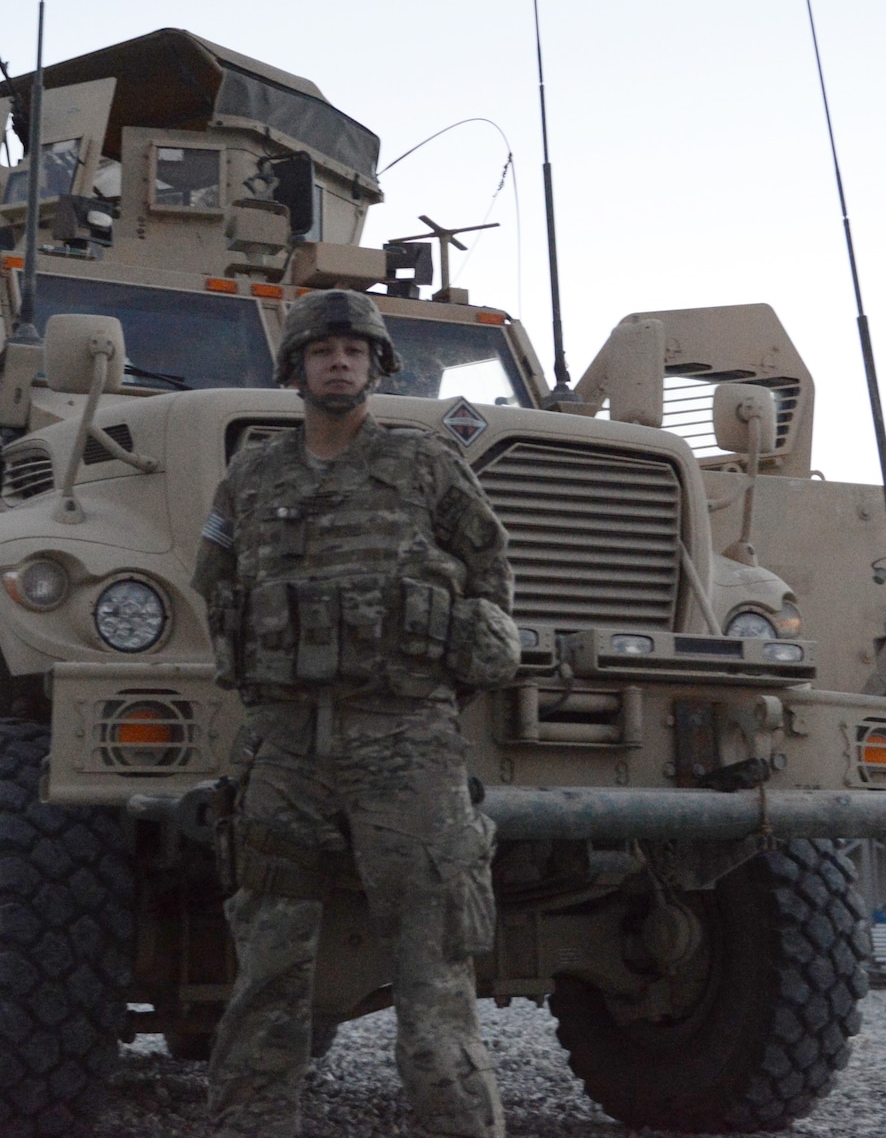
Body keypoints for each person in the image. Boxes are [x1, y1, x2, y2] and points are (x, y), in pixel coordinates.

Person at [193, 288, 520, 1138]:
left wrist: (444, 667)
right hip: (283, 746)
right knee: (266, 962)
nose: (338, 360)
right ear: (295, 367)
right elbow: (215, 581)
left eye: (354, 349)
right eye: (321, 348)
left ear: (377, 365)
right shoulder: (252, 476)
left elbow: (490, 575)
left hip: (405, 743)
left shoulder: (425, 465)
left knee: (435, 967)